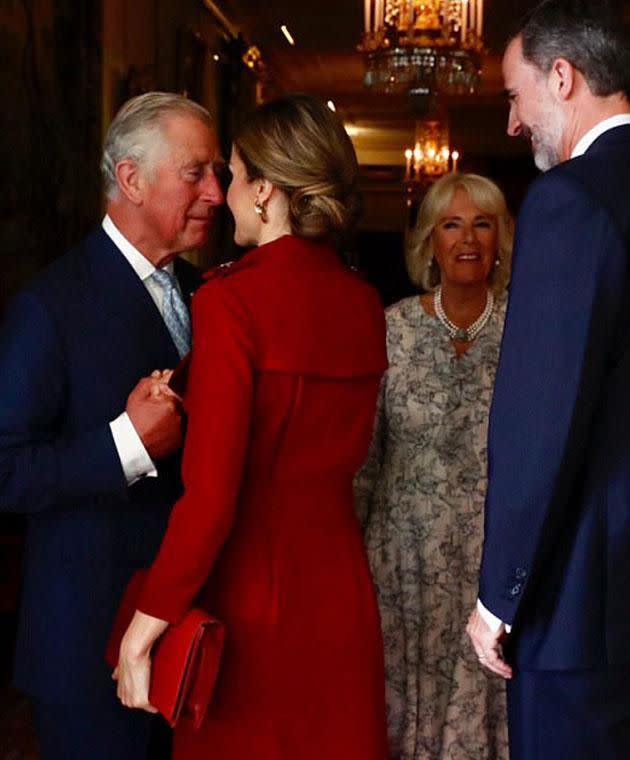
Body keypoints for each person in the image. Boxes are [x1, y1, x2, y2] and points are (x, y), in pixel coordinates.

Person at [114, 94, 390, 759]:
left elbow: (210, 501)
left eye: (234, 175)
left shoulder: (231, 301)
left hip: (251, 608)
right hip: (341, 597)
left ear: (266, 190)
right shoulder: (364, 304)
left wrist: (140, 632)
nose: (224, 192)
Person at [0, 91, 224, 760]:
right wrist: (125, 445)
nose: (216, 192)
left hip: (192, 638)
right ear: (130, 178)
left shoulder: (207, 292)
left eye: (220, 174)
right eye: (196, 172)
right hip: (87, 651)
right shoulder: (49, 305)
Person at [465, 2, 630, 758]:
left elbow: (542, 425)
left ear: (561, 77)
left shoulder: (571, 201)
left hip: (584, 610)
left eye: (512, 95)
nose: (511, 123)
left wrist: (499, 596)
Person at [355, 172, 513, 759]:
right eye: (451, 224)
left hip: (489, 572)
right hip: (401, 568)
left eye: (482, 223)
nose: (467, 238)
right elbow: (366, 458)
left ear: (501, 240)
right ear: (429, 242)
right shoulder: (391, 327)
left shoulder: (528, 330)